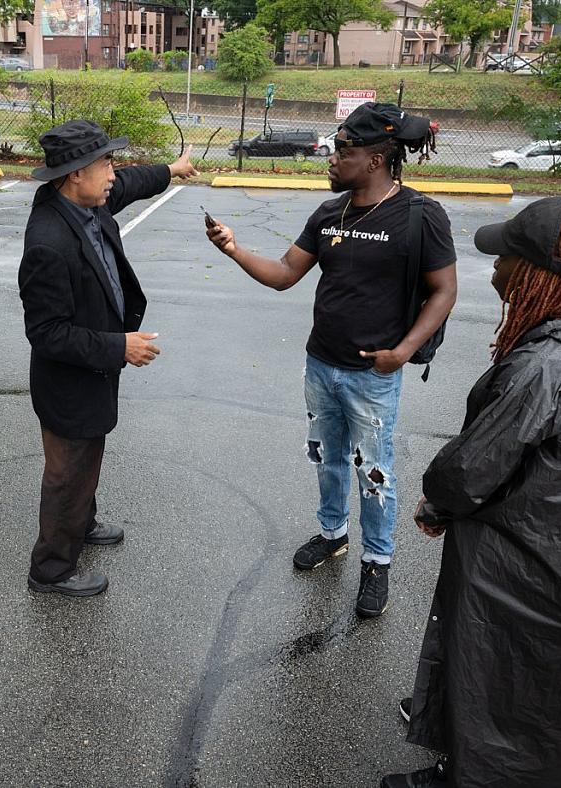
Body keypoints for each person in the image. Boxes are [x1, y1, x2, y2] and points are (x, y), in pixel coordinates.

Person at [382, 199, 561, 788]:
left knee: (493, 659)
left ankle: (469, 774)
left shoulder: (544, 364)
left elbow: (471, 469)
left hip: (521, 550)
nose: (493, 271)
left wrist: (435, 504)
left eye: (505, 260)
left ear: (537, 273)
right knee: (532, 671)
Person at [206, 102, 457, 617]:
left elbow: (444, 291)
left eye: (343, 150)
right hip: (321, 365)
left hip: (373, 374)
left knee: (374, 471)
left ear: (376, 160)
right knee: (328, 457)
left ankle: (377, 562)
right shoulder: (329, 213)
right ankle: (333, 534)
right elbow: (282, 274)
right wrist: (232, 248)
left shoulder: (420, 215)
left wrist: (404, 352)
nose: (331, 158)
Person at [19, 119, 198, 597]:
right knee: (67, 472)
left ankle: (83, 521)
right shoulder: (47, 243)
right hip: (69, 382)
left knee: (86, 457)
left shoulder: (87, 202)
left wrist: (171, 169)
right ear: (77, 173)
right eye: (106, 163)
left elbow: (132, 183)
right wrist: (120, 346)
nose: (114, 173)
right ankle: (51, 570)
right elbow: (46, 333)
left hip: (92, 373)